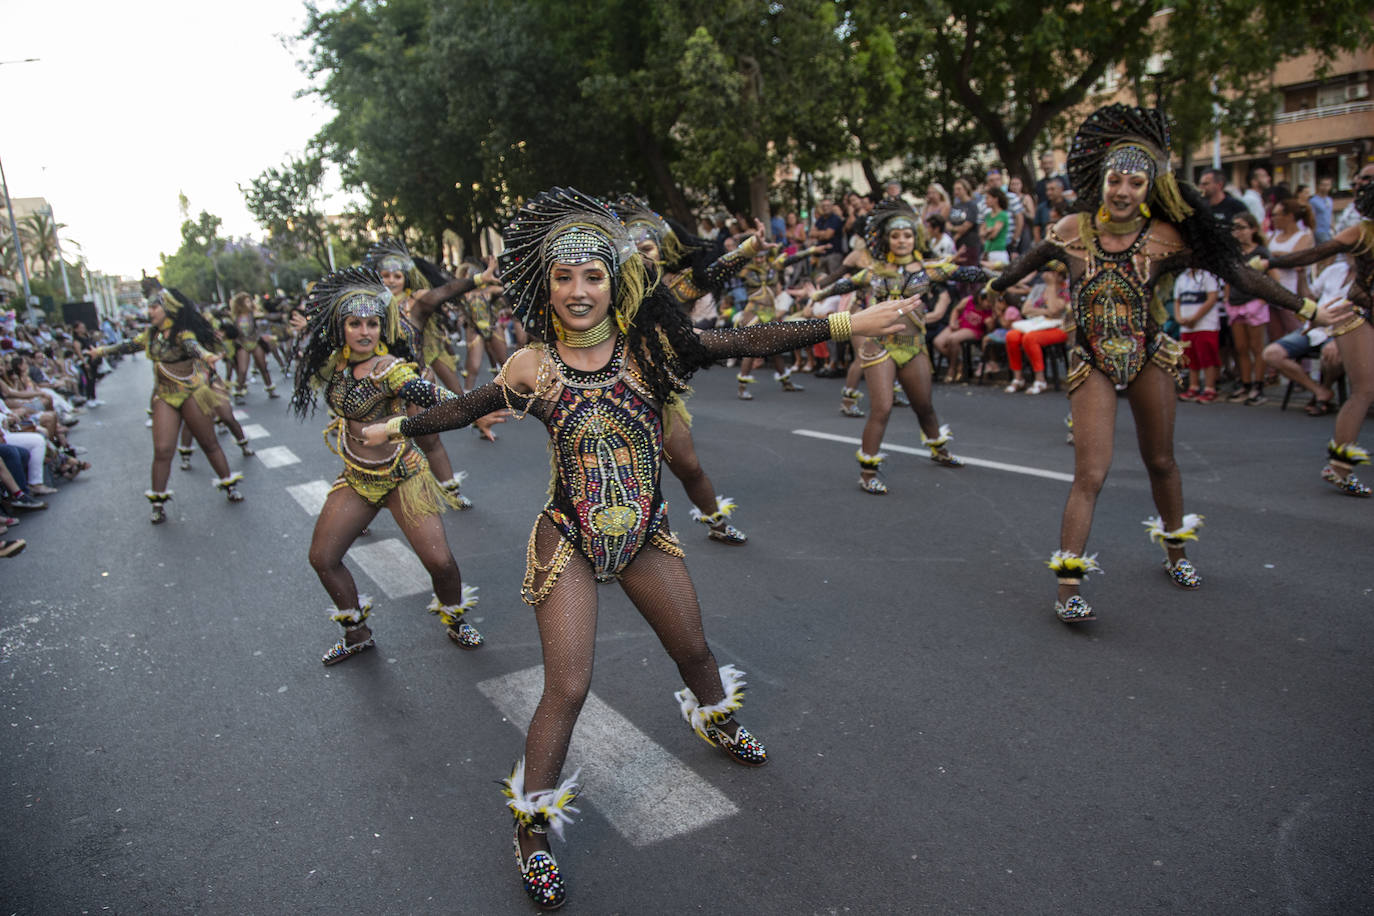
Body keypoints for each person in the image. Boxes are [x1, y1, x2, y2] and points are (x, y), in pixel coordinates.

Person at [361, 187, 910, 910]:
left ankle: (716, 719)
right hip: (570, 539)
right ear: (545, 285)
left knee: (695, 651)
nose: (579, 290)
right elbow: (468, 407)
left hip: (647, 532)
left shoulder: (649, 348)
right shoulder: (534, 364)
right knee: (568, 685)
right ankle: (529, 830)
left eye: (593, 275)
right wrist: (396, 431)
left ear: (615, 279)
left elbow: (744, 340)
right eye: (564, 277)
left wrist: (849, 321)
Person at [988, 104, 1348, 623]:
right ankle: (1068, 583)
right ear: (1102, 180)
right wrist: (983, 282)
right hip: (1090, 360)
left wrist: (1310, 308)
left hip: (1149, 357)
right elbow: (1014, 271)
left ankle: (1176, 551)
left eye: (1136, 182)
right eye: (1116, 179)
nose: (1123, 191)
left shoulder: (1166, 238)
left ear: (1150, 187)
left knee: (1161, 460)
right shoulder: (1070, 230)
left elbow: (1239, 275)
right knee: (1090, 472)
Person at [291, 267, 486, 664]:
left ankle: (455, 619)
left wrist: (472, 409)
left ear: (383, 328)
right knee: (322, 558)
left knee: (439, 561)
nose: (365, 332)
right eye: (355, 324)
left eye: (373, 324)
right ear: (340, 328)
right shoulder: (334, 367)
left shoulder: (390, 369)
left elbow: (433, 395)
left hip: (403, 474)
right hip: (358, 477)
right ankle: (356, 632)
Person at [805, 198, 982, 492]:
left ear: (916, 237)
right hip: (880, 345)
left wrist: (1000, 277)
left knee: (924, 406)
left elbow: (968, 273)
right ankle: (868, 471)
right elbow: (844, 284)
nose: (902, 240)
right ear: (887, 239)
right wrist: (817, 295)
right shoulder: (875, 271)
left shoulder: (929, 269)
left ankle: (938, 448)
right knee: (883, 408)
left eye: (908, 235)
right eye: (896, 235)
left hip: (913, 345)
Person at [88, 278, 245, 522]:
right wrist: (101, 351)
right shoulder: (150, 336)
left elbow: (193, 347)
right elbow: (128, 345)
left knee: (208, 442)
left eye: (154, 307)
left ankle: (229, 485)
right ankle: (158, 503)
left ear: (168, 309)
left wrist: (207, 356)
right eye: (148, 307)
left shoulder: (183, 334)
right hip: (165, 396)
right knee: (162, 450)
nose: (149, 311)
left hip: (193, 392)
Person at [1258, 174, 1374, 496]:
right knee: (1365, 391)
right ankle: (1338, 467)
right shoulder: (1362, 232)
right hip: (1357, 314)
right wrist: (1272, 260)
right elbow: (1314, 254)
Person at [1223, 212, 1271, 404]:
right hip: (1235, 303)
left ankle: (1259, 386)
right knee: (1241, 348)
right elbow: (1227, 279)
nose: (1238, 232)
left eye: (1242, 227)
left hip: (1254, 303)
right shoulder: (1231, 253)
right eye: (1234, 228)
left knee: (1257, 347)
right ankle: (1246, 383)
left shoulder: (1261, 252)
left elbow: (1271, 280)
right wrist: (1227, 300)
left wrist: (1261, 301)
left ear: (1253, 229)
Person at [1173, 267, 1223, 402]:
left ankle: (1209, 388)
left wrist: (1195, 317)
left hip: (1206, 324)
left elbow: (1212, 298)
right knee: (1190, 356)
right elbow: (1177, 300)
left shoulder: (1208, 276)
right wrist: (1178, 318)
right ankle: (1193, 386)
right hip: (1186, 326)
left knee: (1207, 356)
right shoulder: (1182, 277)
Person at [228, 292, 281, 401]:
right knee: (242, 370)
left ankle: (270, 390)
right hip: (242, 345)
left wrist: (279, 315)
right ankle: (238, 393)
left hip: (255, 342)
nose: (249, 303)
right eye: (246, 301)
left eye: (249, 301)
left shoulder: (253, 314)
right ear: (240, 304)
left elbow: (268, 317)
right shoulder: (235, 318)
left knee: (263, 367)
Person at [1310, 176, 1335, 244]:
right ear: (1319, 186)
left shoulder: (1329, 200)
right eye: (1323, 185)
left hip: (1329, 230)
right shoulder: (1313, 201)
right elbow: (1312, 216)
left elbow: (1331, 213)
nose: (1325, 187)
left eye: (1327, 185)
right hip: (1319, 231)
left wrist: (1333, 226)